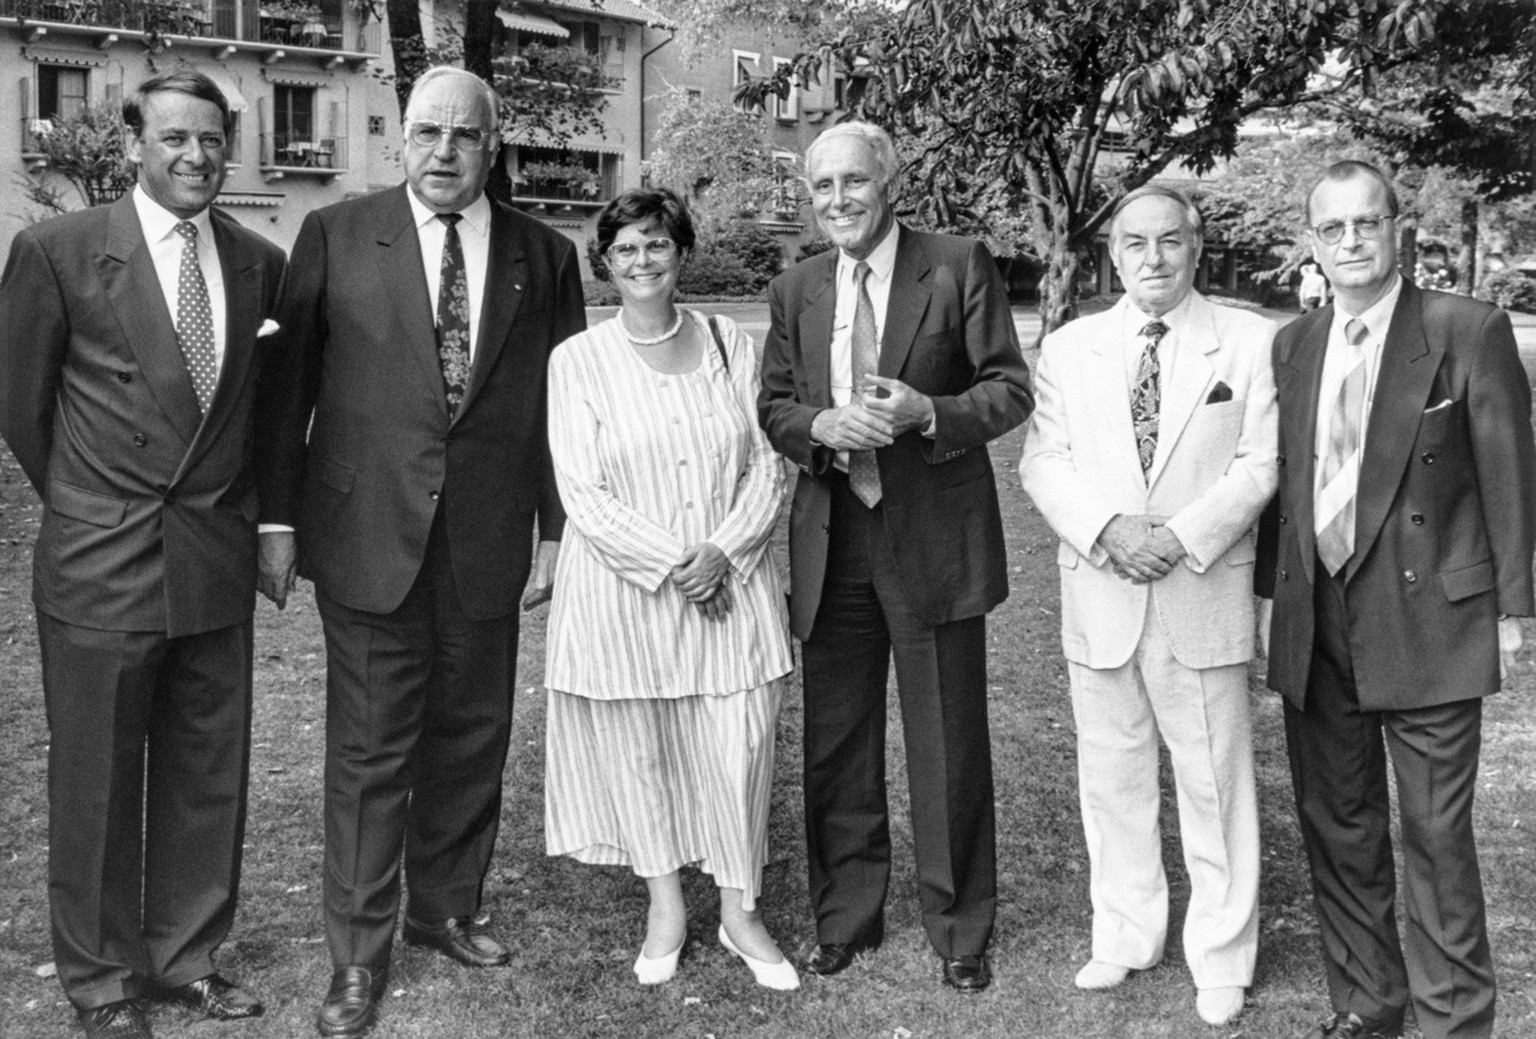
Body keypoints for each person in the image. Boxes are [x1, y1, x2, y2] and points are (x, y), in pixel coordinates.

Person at [253, 66, 585, 1038]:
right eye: (428, 131)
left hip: (486, 539)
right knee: (367, 751)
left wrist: (560, 530)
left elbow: (565, 407)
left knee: (471, 739)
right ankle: (357, 956)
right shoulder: (334, 235)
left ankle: (445, 907)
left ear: (495, 144)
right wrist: (276, 521)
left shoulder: (543, 255)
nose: (444, 151)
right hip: (366, 537)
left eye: (465, 135)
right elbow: (287, 391)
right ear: (401, 136)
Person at [0, 71, 285, 1039]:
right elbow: (23, 407)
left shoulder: (257, 262)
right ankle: (101, 982)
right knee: (97, 781)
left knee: (208, 771)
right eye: (173, 138)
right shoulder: (57, 251)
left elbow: (261, 415)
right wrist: (88, 504)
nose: (195, 156)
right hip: (102, 560)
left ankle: (187, 957)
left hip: (212, 555)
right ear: (134, 145)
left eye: (211, 139)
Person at [1256, 159, 1536, 1039]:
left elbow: (1513, 480)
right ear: (1312, 241)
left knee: (1436, 837)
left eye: (1366, 224)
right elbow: (1291, 483)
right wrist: (1273, 599)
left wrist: (1515, 613)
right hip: (1319, 621)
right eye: (1332, 228)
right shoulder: (1294, 344)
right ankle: (1368, 1003)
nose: (1351, 242)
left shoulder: (1467, 329)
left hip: (1432, 619)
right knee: (1338, 826)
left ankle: (1456, 1019)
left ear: (1396, 230)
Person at [758, 120, 1033, 993]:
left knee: (945, 736)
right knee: (836, 739)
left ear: (889, 181)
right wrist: (819, 427)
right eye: (822, 188)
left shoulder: (956, 263)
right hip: (833, 534)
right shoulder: (795, 285)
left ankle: (959, 926)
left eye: (853, 182)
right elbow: (771, 405)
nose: (838, 200)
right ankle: (846, 915)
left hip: (931, 536)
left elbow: (1009, 390)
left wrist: (927, 411)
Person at [1019, 185, 1277, 1027]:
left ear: (1196, 247)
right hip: (1103, 588)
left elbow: (1258, 463)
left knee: (1213, 781)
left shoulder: (1247, 340)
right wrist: (1108, 530)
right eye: (1136, 244)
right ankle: (1126, 934)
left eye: (1170, 241)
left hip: (1200, 586)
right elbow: (1043, 462)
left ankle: (1221, 955)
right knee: (1113, 778)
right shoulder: (1070, 347)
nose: (1154, 259)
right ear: (1113, 253)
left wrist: (1182, 535)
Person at [542, 187, 797, 991]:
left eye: (656, 243)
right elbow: (582, 492)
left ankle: (739, 907)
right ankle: (665, 907)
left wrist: (720, 551)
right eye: (625, 249)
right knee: (641, 750)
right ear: (606, 265)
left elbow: (769, 462)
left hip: (733, 585)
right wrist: (673, 562)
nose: (643, 260)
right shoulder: (577, 359)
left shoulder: (731, 342)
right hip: (625, 596)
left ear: (681, 251)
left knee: (740, 745)